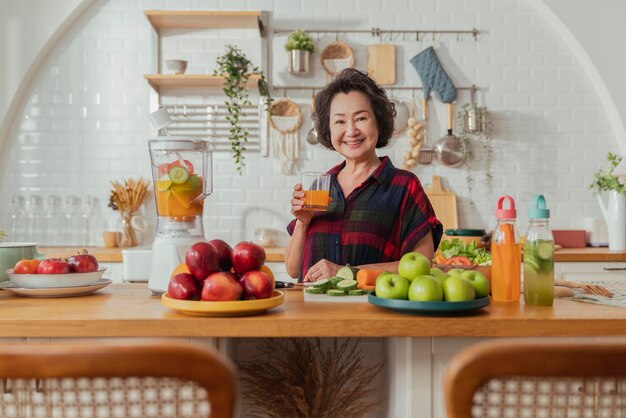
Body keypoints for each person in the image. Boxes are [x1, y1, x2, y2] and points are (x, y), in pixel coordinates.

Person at [285, 68, 443, 282]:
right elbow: (293, 270)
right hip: (314, 313)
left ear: (378, 122)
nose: (351, 131)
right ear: (328, 129)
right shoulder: (321, 186)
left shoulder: (404, 186)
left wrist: (347, 272)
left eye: (360, 118)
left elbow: (422, 264)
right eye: (340, 121)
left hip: (374, 311)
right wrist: (303, 222)